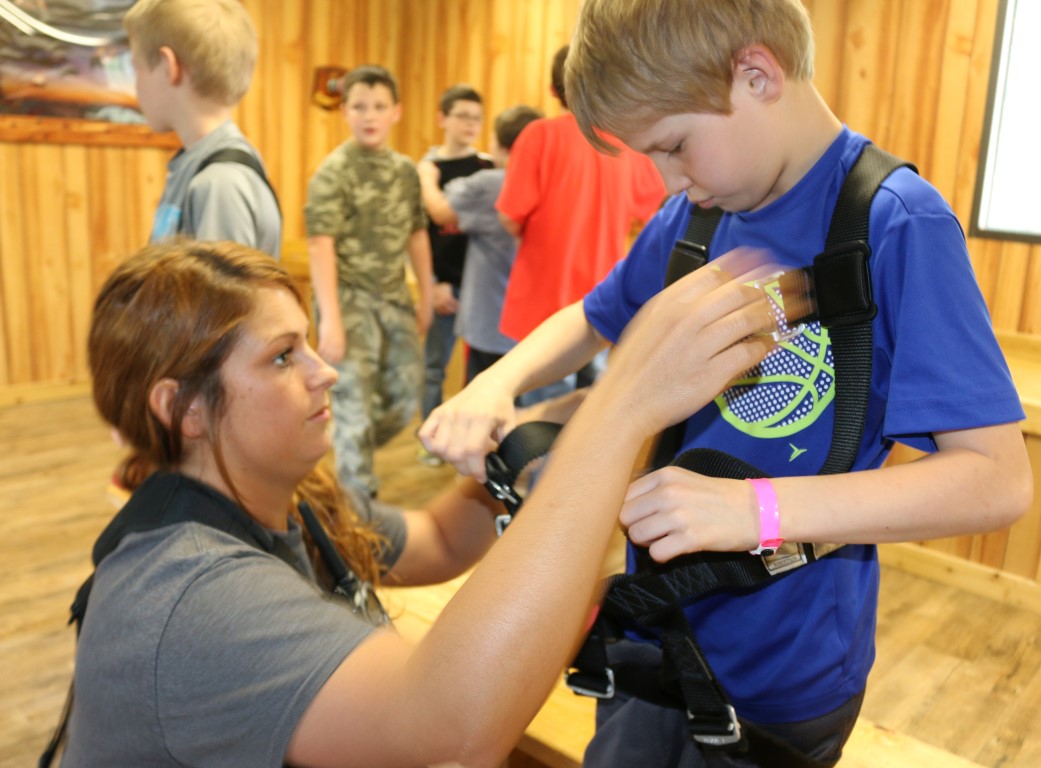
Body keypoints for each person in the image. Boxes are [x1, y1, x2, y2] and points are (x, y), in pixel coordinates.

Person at [419, 0, 1034, 764]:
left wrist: (757, 510)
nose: (669, 179)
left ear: (756, 75)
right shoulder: (697, 214)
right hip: (655, 638)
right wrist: (499, 382)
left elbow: (996, 481)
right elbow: (596, 314)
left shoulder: (898, 223)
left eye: (675, 146)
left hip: (784, 671)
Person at [62, 238, 776, 766]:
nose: (324, 371)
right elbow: (450, 730)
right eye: (283, 357)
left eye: (308, 344)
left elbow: (438, 537)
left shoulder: (286, 497)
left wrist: (560, 419)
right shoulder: (190, 592)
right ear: (182, 409)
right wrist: (620, 415)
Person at [494, 44, 666, 403]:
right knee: (592, 409)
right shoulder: (627, 145)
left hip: (544, 301)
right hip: (605, 299)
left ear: (552, 89)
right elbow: (648, 213)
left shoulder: (538, 135)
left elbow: (510, 216)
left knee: (540, 415)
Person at [305, 65, 435, 499]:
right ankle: (357, 504)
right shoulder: (334, 171)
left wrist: (426, 295)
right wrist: (330, 320)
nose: (369, 116)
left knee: (404, 400)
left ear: (396, 112)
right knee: (353, 406)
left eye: (379, 106)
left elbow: (417, 234)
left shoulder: (404, 171)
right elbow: (320, 244)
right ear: (345, 111)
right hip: (348, 301)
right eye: (359, 107)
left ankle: (339, 444)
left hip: (394, 298)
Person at [125, 0, 281, 257]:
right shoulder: (196, 165)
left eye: (137, 68)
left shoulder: (220, 183)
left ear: (168, 67)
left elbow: (221, 285)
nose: (136, 86)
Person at [418, 104, 543, 386]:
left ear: (500, 146)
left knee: (481, 399)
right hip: (535, 325)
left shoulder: (492, 184)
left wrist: (426, 175)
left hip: (492, 325)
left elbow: (440, 210)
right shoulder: (549, 180)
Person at [417, 85, 495, 464]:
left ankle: (467, 441)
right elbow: (418, 235)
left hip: (483, 290)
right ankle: (429, 442)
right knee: (434, 368)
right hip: (443, 287)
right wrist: (432, 284)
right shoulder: (427, 170)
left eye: (476, 118)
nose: (470, 124)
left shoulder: (487, 168)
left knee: (478, 373)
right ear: (442, 119)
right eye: (462, 116)